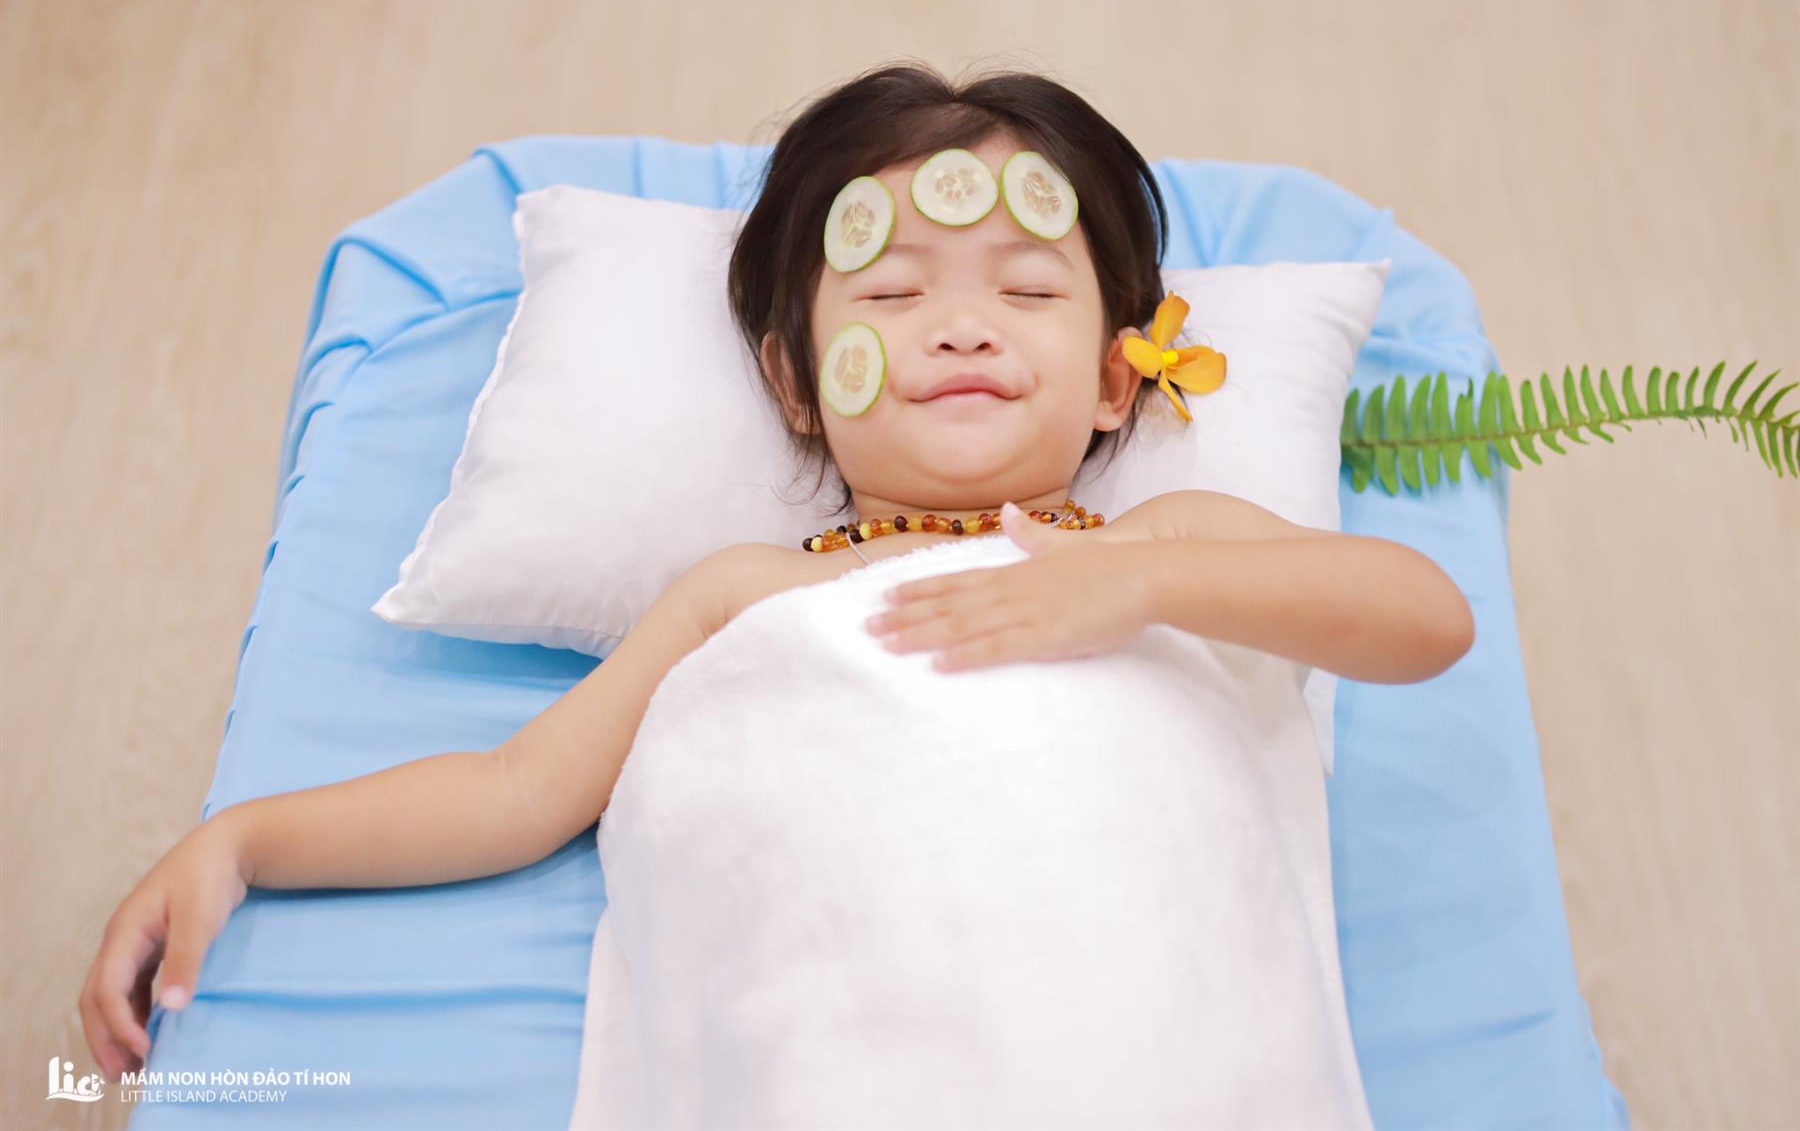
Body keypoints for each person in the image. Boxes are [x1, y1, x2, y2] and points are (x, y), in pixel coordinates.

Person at [79, 63, 1474, 1103]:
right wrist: (244, 842)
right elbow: (517, 790)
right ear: (798, 387)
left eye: (1028, 292)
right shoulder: (741, 595)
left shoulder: (1172, 538)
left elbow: (1424, 619)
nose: (962, 326)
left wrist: (1144, 586)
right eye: (893, 295)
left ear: (1118, 379)